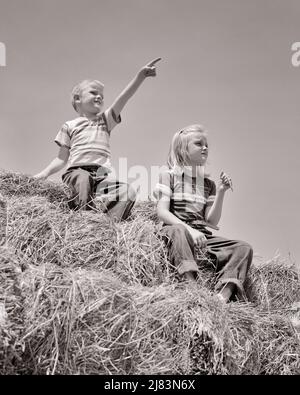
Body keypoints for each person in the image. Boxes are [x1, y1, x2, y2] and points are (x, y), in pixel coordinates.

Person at [34, 58, 161, 221]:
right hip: (77, 172)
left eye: (101, 95)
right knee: (83, 179)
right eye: (93, 93)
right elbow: (61, 159)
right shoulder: (69, 125)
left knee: (128, 191)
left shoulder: (105, 120)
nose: (99, 97)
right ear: (78, 99)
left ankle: (106, 225)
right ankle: (83, 220)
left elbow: (123, 98)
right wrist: (43, 175)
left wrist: (140, 77)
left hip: (102, 176)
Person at [154, 124, 253, 302]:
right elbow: (162, 212)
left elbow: (210, 220)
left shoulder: (209, 185)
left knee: (243, 247)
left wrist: (221, 191)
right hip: (175, 230)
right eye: (199, 144)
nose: (205, 147)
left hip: (202, 234)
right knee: (178, 231)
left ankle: (223, 295)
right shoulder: (169, 176)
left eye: (207, 144)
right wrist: (189, 230)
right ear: (183, 150)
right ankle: (191, 286)